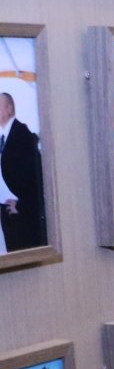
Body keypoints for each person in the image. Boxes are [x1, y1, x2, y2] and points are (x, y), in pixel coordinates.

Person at [0, 91, 46, 252]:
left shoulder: (22, 136)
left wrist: (22, 206)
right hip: (8, 212)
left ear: (9, 109)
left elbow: (35, 178)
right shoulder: (4, 136)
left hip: (20, 214)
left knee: (24, 256)